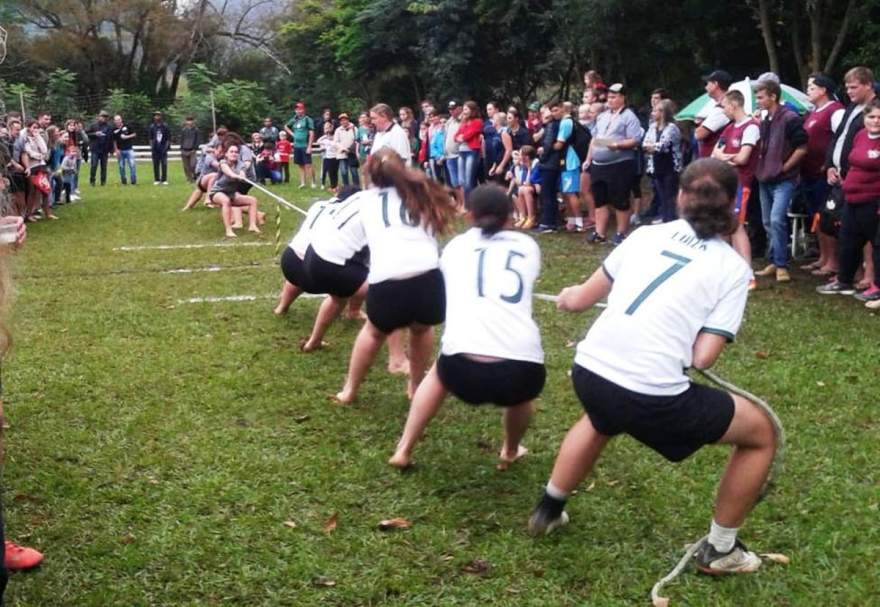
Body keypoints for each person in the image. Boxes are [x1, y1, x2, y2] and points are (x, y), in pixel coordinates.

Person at [528, 158, 776, 578]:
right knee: (761, 434)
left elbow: (580, 299)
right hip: (647, 392)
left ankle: (549, 509)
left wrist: (569, 296)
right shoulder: (733, 269)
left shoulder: (645, 235)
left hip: (589, 372)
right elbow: (703, 358)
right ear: (732, 204)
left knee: (602, 416)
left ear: (680, 196)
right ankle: (720, 550)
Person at [389, 184, 544, 470]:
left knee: (437, 374)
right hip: (519, 370)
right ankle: (509, 450)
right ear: (511, 217)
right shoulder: (528, 247)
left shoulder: (455, 248)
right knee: (523, 397)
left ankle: (404, 449)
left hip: (461, 369)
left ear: (469, 215)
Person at [333, 149, 457, 404]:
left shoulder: (364, 200)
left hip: (388, 280)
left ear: (369, 173)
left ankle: (350, 390)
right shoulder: (422, 192)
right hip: (428, 277)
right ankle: (415, 386)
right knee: (422, 330)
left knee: (373, 333)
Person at [818, 67, 877, 294]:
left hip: (866, 182)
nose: (849, 91)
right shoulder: (852, 107)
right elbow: (839, 137)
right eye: (848, 87)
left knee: (870, 232)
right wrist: (831, 165)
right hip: (841, 175)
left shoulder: (875, 111)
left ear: (868, 85)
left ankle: (870, 276)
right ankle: (846, 275)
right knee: (843, 229)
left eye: (854, 87)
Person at [753, 79, 809, 283]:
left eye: (760, 97)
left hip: (783, 179)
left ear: (772, 96)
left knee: (777, 219)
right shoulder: (764, 119)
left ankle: (782, 265)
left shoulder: (790, 118)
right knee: (768, 221)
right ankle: (775, 261)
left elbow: (802, 148)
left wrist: (784, 168)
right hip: (764, 178)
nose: (757, 101)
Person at [586, 84, 643, 244]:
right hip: (599, 164)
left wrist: (618, 145)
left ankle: (621, 233)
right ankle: (600, 233)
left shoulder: (629, 116)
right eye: (609, 97)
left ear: (622, 97)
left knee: (620, 199)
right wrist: (588, 159)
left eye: (614, 97)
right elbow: (595, 138)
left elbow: (635, 139)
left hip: (620, 163)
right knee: (600, 199)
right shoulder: (603, 116)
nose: (610, 100)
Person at [799, 75, 844, 277]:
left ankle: (833, 261)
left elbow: (841, 139)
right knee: (816, 216)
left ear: (823, 90)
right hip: (808, 172)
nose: (807, 90)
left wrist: (831, 165)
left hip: (824, 173)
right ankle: (823, 257)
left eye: (811, 87)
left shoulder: (835, 111)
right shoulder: (813, 112)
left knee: (827, 216)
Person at [712, 90, 760, 275]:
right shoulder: (729, 128)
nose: (723, 111)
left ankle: (747, 272)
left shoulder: (751, 127)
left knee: (737, 226)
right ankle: (727, 268)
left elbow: (743, 158)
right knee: (723, 224)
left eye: (724, 106)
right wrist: (729, 157)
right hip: (726, 183)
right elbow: (715, 152)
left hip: (742, 184)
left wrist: (725, 157)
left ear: (733, 105)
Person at [643, 99, 683, 224]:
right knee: (661, 196)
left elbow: (663, 146)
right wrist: (651, 146)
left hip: (670, 167)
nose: (652, 113)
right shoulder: (652, 127)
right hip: (656, 166)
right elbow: (645, 143)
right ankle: (665, 218)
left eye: (655, 110)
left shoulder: (672, 128)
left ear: (663, 112)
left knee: (670, 196)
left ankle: (671, 221)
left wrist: (652, 146)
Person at [208, 145, 262, 238]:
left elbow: (242, 172)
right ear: (226, 154)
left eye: (236, 152)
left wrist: (242, 176)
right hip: (217, 192)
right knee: (225, 201)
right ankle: (228, 230)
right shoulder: (223, 163)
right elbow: (229, 173)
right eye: (231, 151)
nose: (234, 154)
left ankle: (252, 226)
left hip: (231, 194)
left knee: (252, 200)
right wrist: (236, 176)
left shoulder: (241, 164)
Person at [695, 70, 733, 158]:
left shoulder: (722, 109)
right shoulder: (724, 106)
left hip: (715, 163)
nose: (706, 87)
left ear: (715, 84)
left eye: (707, 83)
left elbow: (699, 134)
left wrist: (700, 125)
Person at [182, 141, 223, 211]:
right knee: (214, 176)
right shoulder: (209, 157)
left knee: (198, 191)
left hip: (211, 184)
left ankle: (187, 207)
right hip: (203, 180)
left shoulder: (221, 158)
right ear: (214, 150)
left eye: (223, 152)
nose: (221, 154)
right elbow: (218, 166)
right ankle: (208, 198)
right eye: (220, 151)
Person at [285, 102, 317, 189]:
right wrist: (292, 134)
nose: (298, 111)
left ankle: (313, 182)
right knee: (300, 164)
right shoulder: (294, 120)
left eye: (300, 109)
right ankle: (303, 182)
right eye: (297, 109)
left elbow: (311, 133)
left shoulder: (307, 119)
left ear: (303, 110)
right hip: (297, 145)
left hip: (305, 145)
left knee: (308, 164)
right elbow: (286, 126)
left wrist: (309, 146)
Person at [444, 101, 464, 207]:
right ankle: (460, 203)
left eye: (453, 108)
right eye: (450, 109)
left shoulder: (462, 120)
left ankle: (464, 204)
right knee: (454, 182)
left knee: (461, 182)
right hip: (449, 155)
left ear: (459, 108)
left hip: (459, 154)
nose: (451, 111)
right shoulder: (449, 122)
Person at [86, 110, 113, 186]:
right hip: (95, 149)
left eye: (106, 117)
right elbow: (87, 134)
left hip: (105, 150)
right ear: (99, 117)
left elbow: (111, 138)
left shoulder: (109, 127)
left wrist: (111, 150)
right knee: (94, 165)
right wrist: (95, 134)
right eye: (102, 116)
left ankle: (103, 182)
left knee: (104, 167)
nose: (104, 118)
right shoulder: (93, 125)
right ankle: (92, 181)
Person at [334, 113, 359, 187]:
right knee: (344, 172)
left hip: (352, 153)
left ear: (348, 120)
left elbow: (357, 140)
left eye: (345, 120)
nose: (343, 121)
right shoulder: (338, 130)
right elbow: (336, 141)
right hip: (342, 154)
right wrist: (343, 148)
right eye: (342, 120)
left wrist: (350, 149)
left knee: (354, 172)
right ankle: (346, 188)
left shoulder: (354, 128)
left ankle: (356, 187)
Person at [112, 114, 137, 185]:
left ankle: (133, 180)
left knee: (132, 164)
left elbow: (134, 134)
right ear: (114, 121)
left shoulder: (127, 126)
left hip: (129, 149)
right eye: (116, 120)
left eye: (119, 120)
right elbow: (114, 141)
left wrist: (127, 137)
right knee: (121, 166)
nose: (117, 121)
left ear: (121, 120)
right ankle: (124, 180)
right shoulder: (114, 130)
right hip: (120, 150)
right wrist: (116, 150)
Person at [316, 122, 340, 192]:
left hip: (335, 157)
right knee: (330, 172)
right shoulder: (325, 139)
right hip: (328, 157)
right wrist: (325, 136)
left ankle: (335, 185)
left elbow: (337, 144)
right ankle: (333, 186)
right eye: (325, 128)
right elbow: (318, 141)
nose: (327, 130)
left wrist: (332, 138)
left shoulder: (334, 137)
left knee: (335, 172)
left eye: (328, 128)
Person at [148, 111, 171, 185]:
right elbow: (150, 138)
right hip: (155, 148)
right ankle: (157, 179)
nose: (157, 117)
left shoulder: (165, 126)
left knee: (164, 164)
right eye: (155, 116)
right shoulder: (152, 126)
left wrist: (166, 147)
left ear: (161, 117)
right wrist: (152, 147)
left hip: (163, 147)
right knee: (155, 164)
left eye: (158, 116)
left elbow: (168, 138)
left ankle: (164, 179)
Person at [180, 116, 201, 183]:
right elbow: (181, 139)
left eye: (191, 120)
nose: (189, 122)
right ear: (185, 121)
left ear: (193, 121)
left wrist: (195, 148)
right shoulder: (183, 130)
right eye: (188, 120)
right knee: (186, 166)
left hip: (192, 150)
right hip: (184, 149)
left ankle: (195, 175)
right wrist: (181, 148)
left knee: (193, 165)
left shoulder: (196, 130)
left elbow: (198, 140)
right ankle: (189, 179)